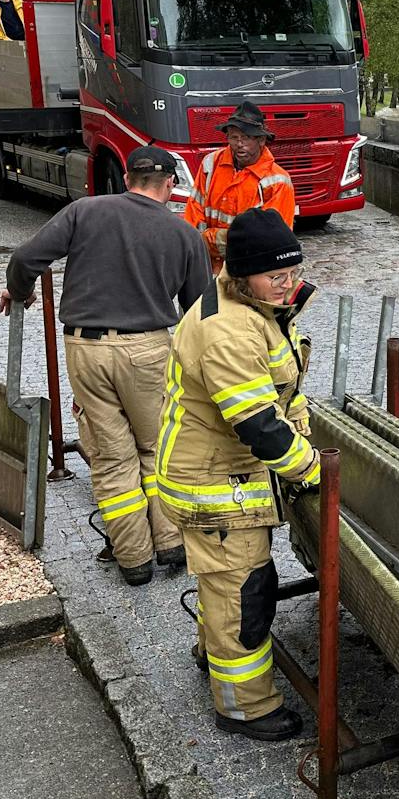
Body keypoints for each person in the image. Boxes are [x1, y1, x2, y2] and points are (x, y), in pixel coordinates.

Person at [1, 146, 211, 585]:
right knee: (158, 448)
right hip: (150, 351)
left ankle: (133, 560)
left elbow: (24, 261)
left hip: (86, 349)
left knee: (113, 458)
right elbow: (198, 315)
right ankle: (170, 542)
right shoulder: (185, 234)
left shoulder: (85, 211)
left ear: (128, 178)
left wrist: (19, 292)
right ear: (170, 185)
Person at [159, 208, 320, 741]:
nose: (288, 283)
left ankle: (211, 651)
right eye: (277, 275)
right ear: (242, 272)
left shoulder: (250, 304)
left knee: (227, 583)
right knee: (244, 593)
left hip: (220, 471)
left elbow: (279, 393)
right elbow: (260, 427)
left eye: (293, 272)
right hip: (214, 484)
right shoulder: (228, 330)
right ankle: (244, 707)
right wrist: (311, 469)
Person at [183, 100, 295, 273]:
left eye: (246, 137)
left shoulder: (277, 181)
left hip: (249, 269)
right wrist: (197, 246)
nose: (239, 143)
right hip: (208, 265)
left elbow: (272, 238)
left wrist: (214, 239)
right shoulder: (210, 164)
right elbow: (194, 211)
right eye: (234, 137)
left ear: (261, 140)